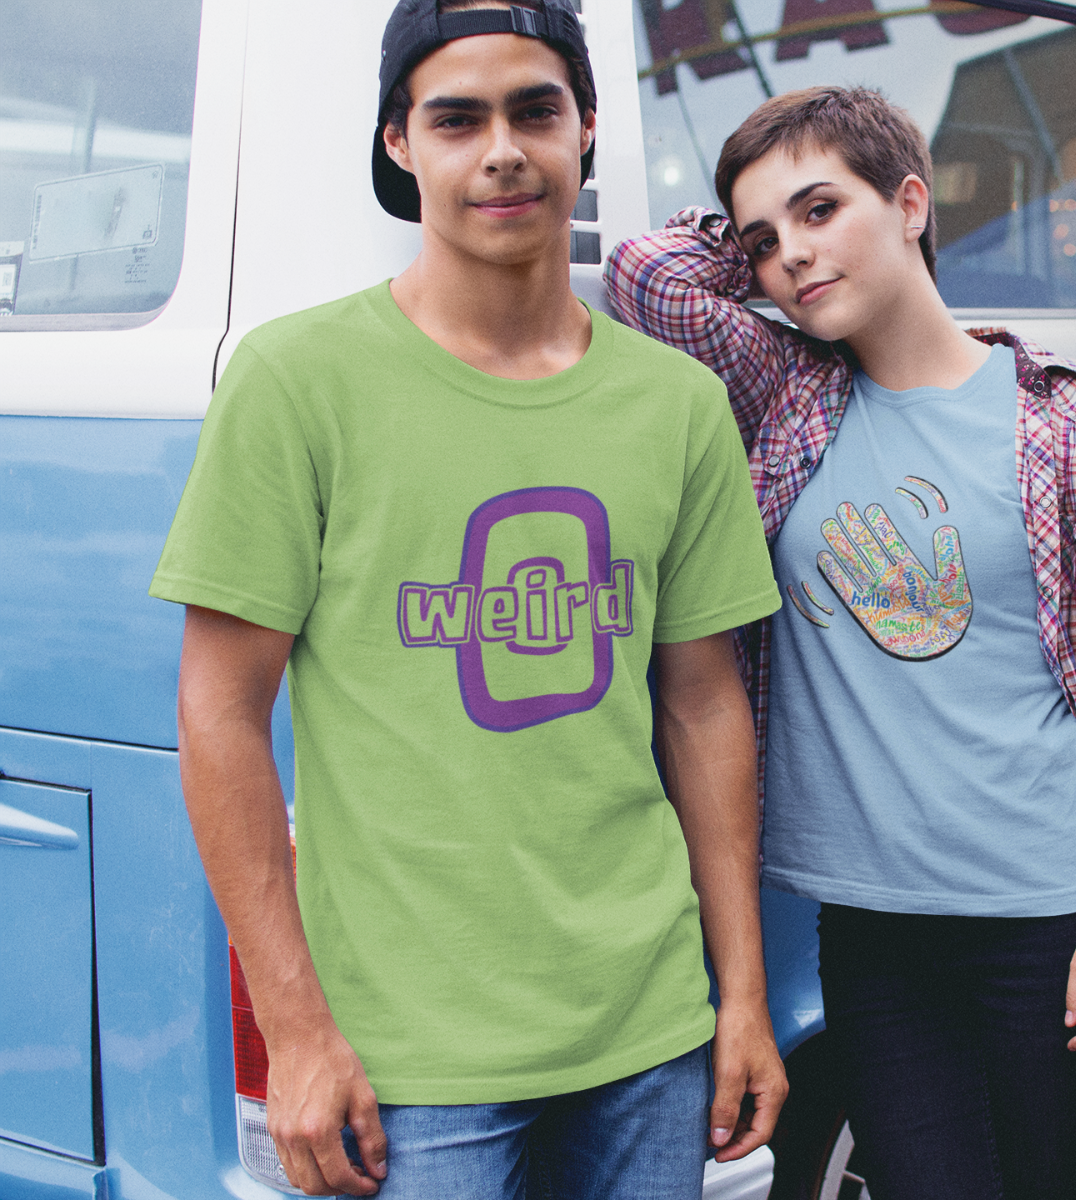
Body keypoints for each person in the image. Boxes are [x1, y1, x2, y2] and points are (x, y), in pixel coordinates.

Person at [148, 2, 789, 1196]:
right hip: (407, 1059)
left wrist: (739, 995)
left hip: (648, 1032)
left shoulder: (676, 405)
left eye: (535, 111)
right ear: (400, 144)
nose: (502, 151)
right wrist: (296, 1031)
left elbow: (703, 707)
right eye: (456, 119)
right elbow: (218, 712)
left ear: (585, 130)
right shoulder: (296, 381)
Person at [605, 86, 1076, 1200]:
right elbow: (644, 277)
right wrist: (745, 231)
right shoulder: (788, 396)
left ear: (911, 204)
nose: (790, 255)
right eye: (763, 241)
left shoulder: (1071, 420)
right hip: (874, 932)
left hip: (1052, 917)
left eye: (821, 210)